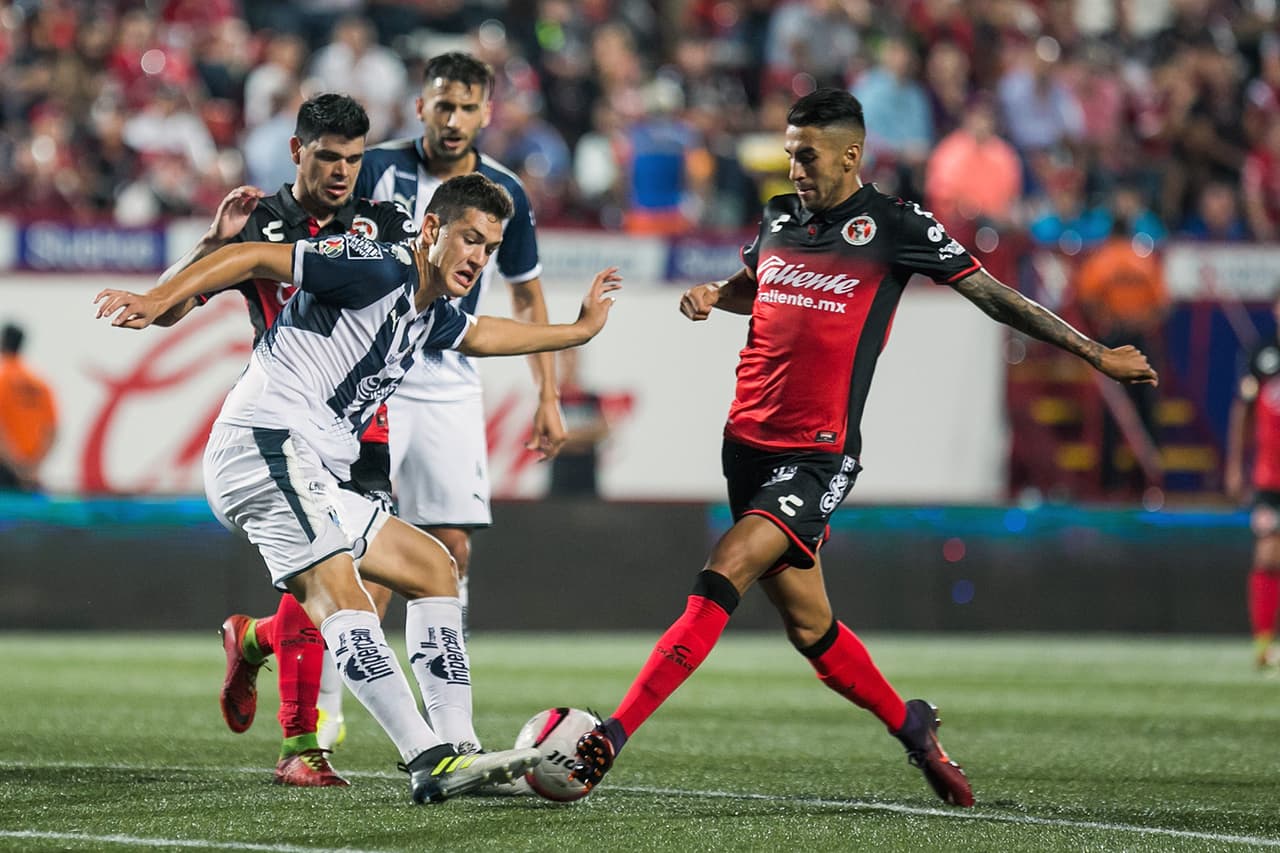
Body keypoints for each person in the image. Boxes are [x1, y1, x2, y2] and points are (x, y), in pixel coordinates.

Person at [569, 88, 1157, 807]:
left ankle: (612, 734)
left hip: (816, 454)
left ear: (851, 154)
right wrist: (713, 295)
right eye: (788, 152)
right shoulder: (781, 216)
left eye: (806, 154)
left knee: (727, 566)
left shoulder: (894, 226)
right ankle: (912, 725)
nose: (793, 167)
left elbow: (995, 294)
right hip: (745, 442)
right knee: (811, 627)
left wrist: (1094, 352)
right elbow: (759, 285)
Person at [95, 172, 623, 805]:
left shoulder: (427, 311)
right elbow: (253, 256)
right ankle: (426, 756)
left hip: (305, 461)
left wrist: (578, 331)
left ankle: (461, 751)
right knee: (338, 589)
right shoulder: (377, 268)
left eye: (489, 247)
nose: (479, 258)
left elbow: (481, 334)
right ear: (432, 231)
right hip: (262, 442)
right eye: (470, 240)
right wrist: (159, 299)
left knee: (434, 565)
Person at [154, 93, 415, 787]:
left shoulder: (384, 219)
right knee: (325, 572)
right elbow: (169, 308)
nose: (341, 173)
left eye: (353, 160)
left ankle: (254, 636)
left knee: (360, 591)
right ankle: (303, 745)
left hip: (368, 427)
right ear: (297, 151)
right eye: (328, 157)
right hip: (295, 419)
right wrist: (215, 244)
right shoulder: (261, 222)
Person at [355, 52, 562, 633]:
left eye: (466, 108)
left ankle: (447, 695)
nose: (453, 119)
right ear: (421, 106)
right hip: (374, 379)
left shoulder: (506, 192)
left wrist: (547, 394)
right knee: (369, 550)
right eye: (443, 105)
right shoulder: (372, 170)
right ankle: (333, 707)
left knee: (451, 549)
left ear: (486, 113)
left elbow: (526, 296)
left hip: (448, 379)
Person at [1073, 219, 1170, 495]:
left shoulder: (1100, 259)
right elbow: (1162, 304)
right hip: (1139, 339)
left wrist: (1109, 320)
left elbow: (1087, 299)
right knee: (1146, 409)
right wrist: (1139, 321)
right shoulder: (1145, 258)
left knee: (1111, 413)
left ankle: (1109, 480)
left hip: (1112, 338)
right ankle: (1148, 480)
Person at [1225, 289, 1280, 670]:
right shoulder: (1262, 354)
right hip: (1270, 478)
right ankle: (1263, 644)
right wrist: (1234, 465)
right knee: (1267, 554)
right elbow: (1241, 411)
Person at [0, 322, 57, 492]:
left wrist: (15, 465)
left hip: (5, 469)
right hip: (31, 474)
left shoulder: (2, 380)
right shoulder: (40, 384)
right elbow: (52, 430)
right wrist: (33, 467)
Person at [548, 348, 610, 498]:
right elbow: (549, 435)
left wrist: (569, 437)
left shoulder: (590, 398)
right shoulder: (551, 398)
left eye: (573, 359)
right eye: (565, 360)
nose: (570, 365)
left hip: (586, 469)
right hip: (562, 469)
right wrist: (585, 436)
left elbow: (603, 431)